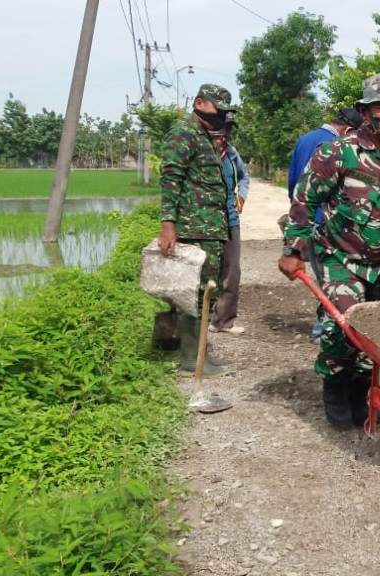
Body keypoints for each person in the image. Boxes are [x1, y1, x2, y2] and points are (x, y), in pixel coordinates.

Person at [278, 72, 380, 426]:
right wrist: (294, 249)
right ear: (364, 111)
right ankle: (335, 384)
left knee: (377, 332)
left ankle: (361, 387)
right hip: (341, 257)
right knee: (342, 326)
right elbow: (304, 198)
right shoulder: (338, 153)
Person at [156, 84, 235, 413]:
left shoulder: (203, 136)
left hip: (208, 227)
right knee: (197, 292)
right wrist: (168, 224)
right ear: (200, 103)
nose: (220, 116)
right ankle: (191, 357)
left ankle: (200, 349)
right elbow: (171, 177)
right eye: (216, 109)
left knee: (208, 292)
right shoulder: (184, 133)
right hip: (193, 228)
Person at [286, 108, 363, 343]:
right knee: (336, 281)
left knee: (324, 279)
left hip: (304, 219)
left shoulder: (303, 140)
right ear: (349, 130)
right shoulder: (338, 147)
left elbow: (293, 185)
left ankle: (327, 331)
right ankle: (327, 334)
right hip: (329, 225)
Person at [210, 122, 250, 334]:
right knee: (207, 271)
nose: (220, 140)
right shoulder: (201, 152)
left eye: (223, 136)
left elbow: (244, 176)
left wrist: (241, 196)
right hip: (205, 222)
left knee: (232, 271)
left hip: (230, 219)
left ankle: (223, 321)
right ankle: (201, 321)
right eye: (216, 135)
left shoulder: (232, 154)